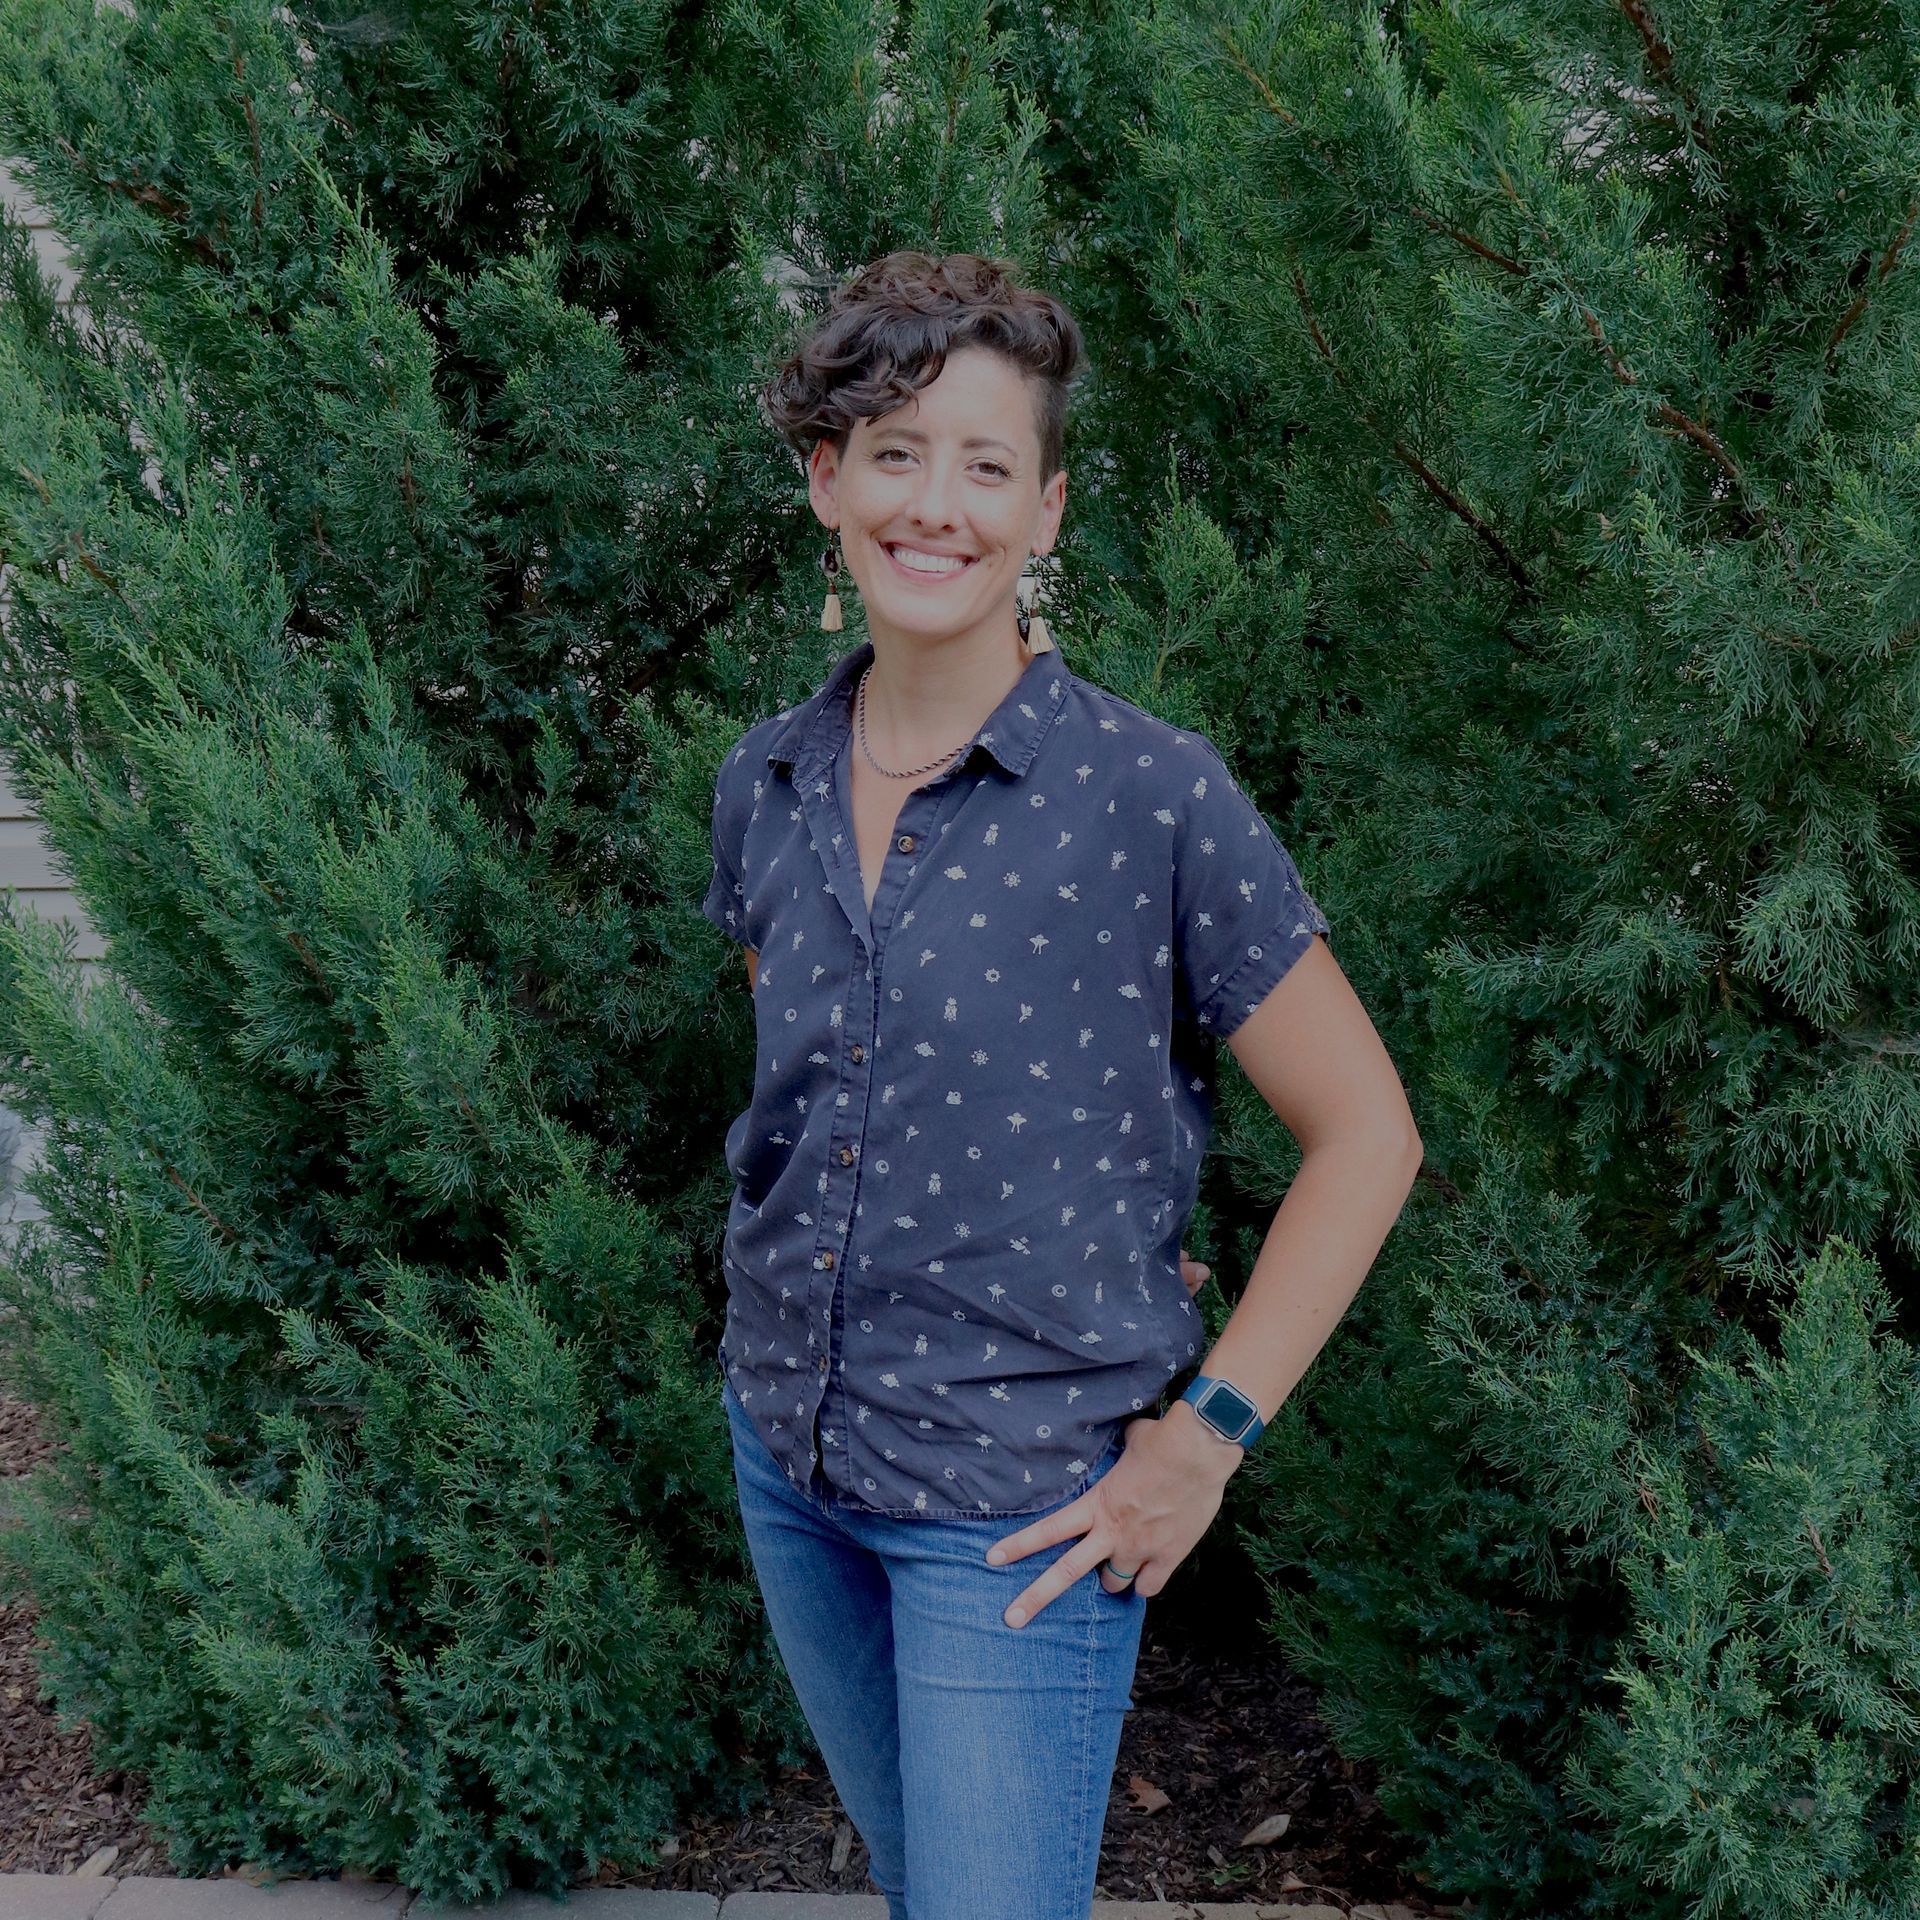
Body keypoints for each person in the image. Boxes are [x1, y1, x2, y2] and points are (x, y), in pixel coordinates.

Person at [700, 249, 1422, 1920]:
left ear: (1046, 510)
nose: (933, 501)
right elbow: (814, 1100)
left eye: (984, 463)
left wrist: (1210, 1436)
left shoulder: (1153, 799)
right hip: (789, 1464)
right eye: (892, 450)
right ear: (826, 481)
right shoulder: (770, 783)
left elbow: (1365, 1134)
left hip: (1019, 1519)